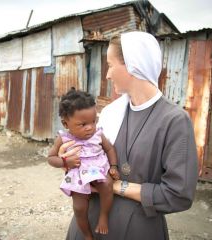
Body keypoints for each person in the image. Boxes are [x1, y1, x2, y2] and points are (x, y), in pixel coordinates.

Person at [63, 31, 199, 239]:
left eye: (110, 65)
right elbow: (86, 168)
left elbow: (178, 195)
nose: (107, 75)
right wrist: (70, 159)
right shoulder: (110, 113)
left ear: (132, 65)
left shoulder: (174, 120)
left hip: (137, 230)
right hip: (88, 225)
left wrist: (119, 186)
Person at [48, 89, 120, 240]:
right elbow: (51, 158)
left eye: (93, 121)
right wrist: (65, 162)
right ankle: (87, 235)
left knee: (107, 184)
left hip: (97, 170)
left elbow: (109, 149)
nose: (90, 127)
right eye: (83, 124)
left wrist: (113, 167)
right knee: (80, 208)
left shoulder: (98, 135)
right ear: (65, 123)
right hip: (77, 175)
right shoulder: (63, 138)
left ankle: (103, 216)